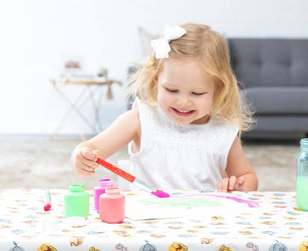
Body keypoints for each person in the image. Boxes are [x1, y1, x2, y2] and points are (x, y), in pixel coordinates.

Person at [71, 23, 258, 192]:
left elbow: (248, 178)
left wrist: (238, 186)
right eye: (172, 89)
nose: (183, 102)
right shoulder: (139, 120)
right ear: (157, 81)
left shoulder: (223, 133)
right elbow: (90, 148)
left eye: (197, 93)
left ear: (218, 90)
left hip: (203, 223)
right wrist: (81, 158)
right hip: (146, 223)